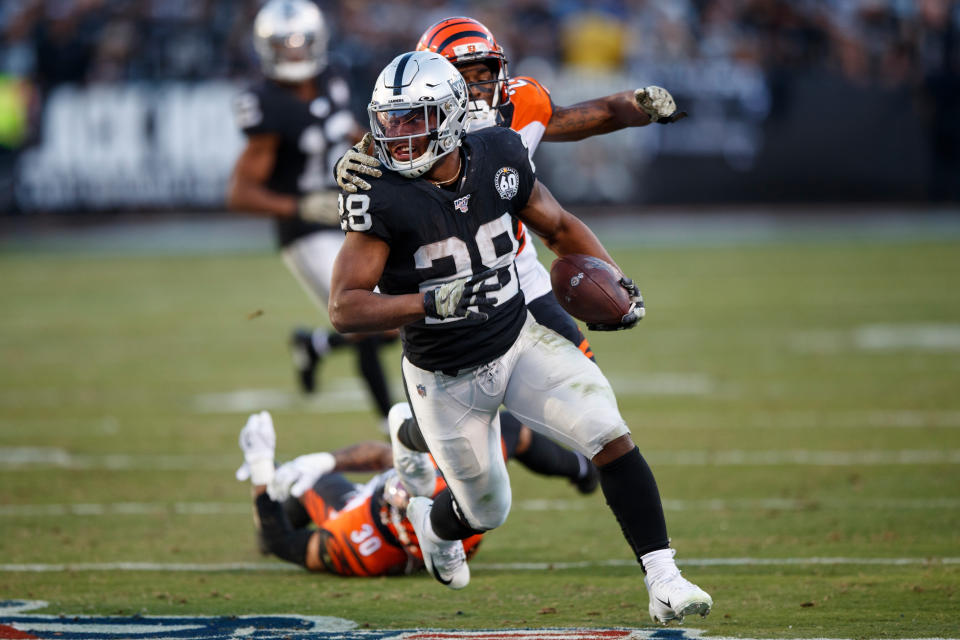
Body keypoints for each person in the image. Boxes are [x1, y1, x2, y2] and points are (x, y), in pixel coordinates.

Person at [328, 51, 711, 624]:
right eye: (391, 120)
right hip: (444, 376)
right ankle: (434, 525)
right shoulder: (378, 192)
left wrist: (615, 281)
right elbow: (345, 307)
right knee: (486, 510)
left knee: (608, 431)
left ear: (454, 116)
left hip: (518, 338)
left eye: (416, 119)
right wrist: (431, 301)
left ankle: (664, 577)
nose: (400, 136)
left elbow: (556, 226)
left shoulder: (500, 152)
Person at [333, 16, 683, 438]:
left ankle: (577, 466)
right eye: (463, 76)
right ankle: (416, 438)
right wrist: (349, 159)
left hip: (519, 270)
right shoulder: (411, 127)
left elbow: (588, 118)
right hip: (448, 283)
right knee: (457, 437)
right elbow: (375, 162)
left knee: (589, 406)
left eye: (485, 73)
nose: (478, 87)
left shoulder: (521, 102)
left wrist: (636, 107)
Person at [226, 0, 393, 420]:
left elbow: (351, 133)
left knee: (393, 313)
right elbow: (240, 193)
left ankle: (315, 345)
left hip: (352, 209)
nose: (294, 53)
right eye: (284, 45)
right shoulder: (266, 102)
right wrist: (299, 206)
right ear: (267, 48)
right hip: (305, 229)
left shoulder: (332, 76)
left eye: (301, 44)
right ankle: (395, 427)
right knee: (370, 320)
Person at [235, 402, 598, 578]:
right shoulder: (447, 487)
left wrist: (261, 471)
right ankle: (583, 470)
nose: (391, 491)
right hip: (446, 515)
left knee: (285, 485)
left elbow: (288, 545)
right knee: (505, 429)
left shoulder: (361, 547)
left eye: (395, 503)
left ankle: (274, 498)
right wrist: (327, 460)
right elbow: (382, 457)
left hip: (352, 515)